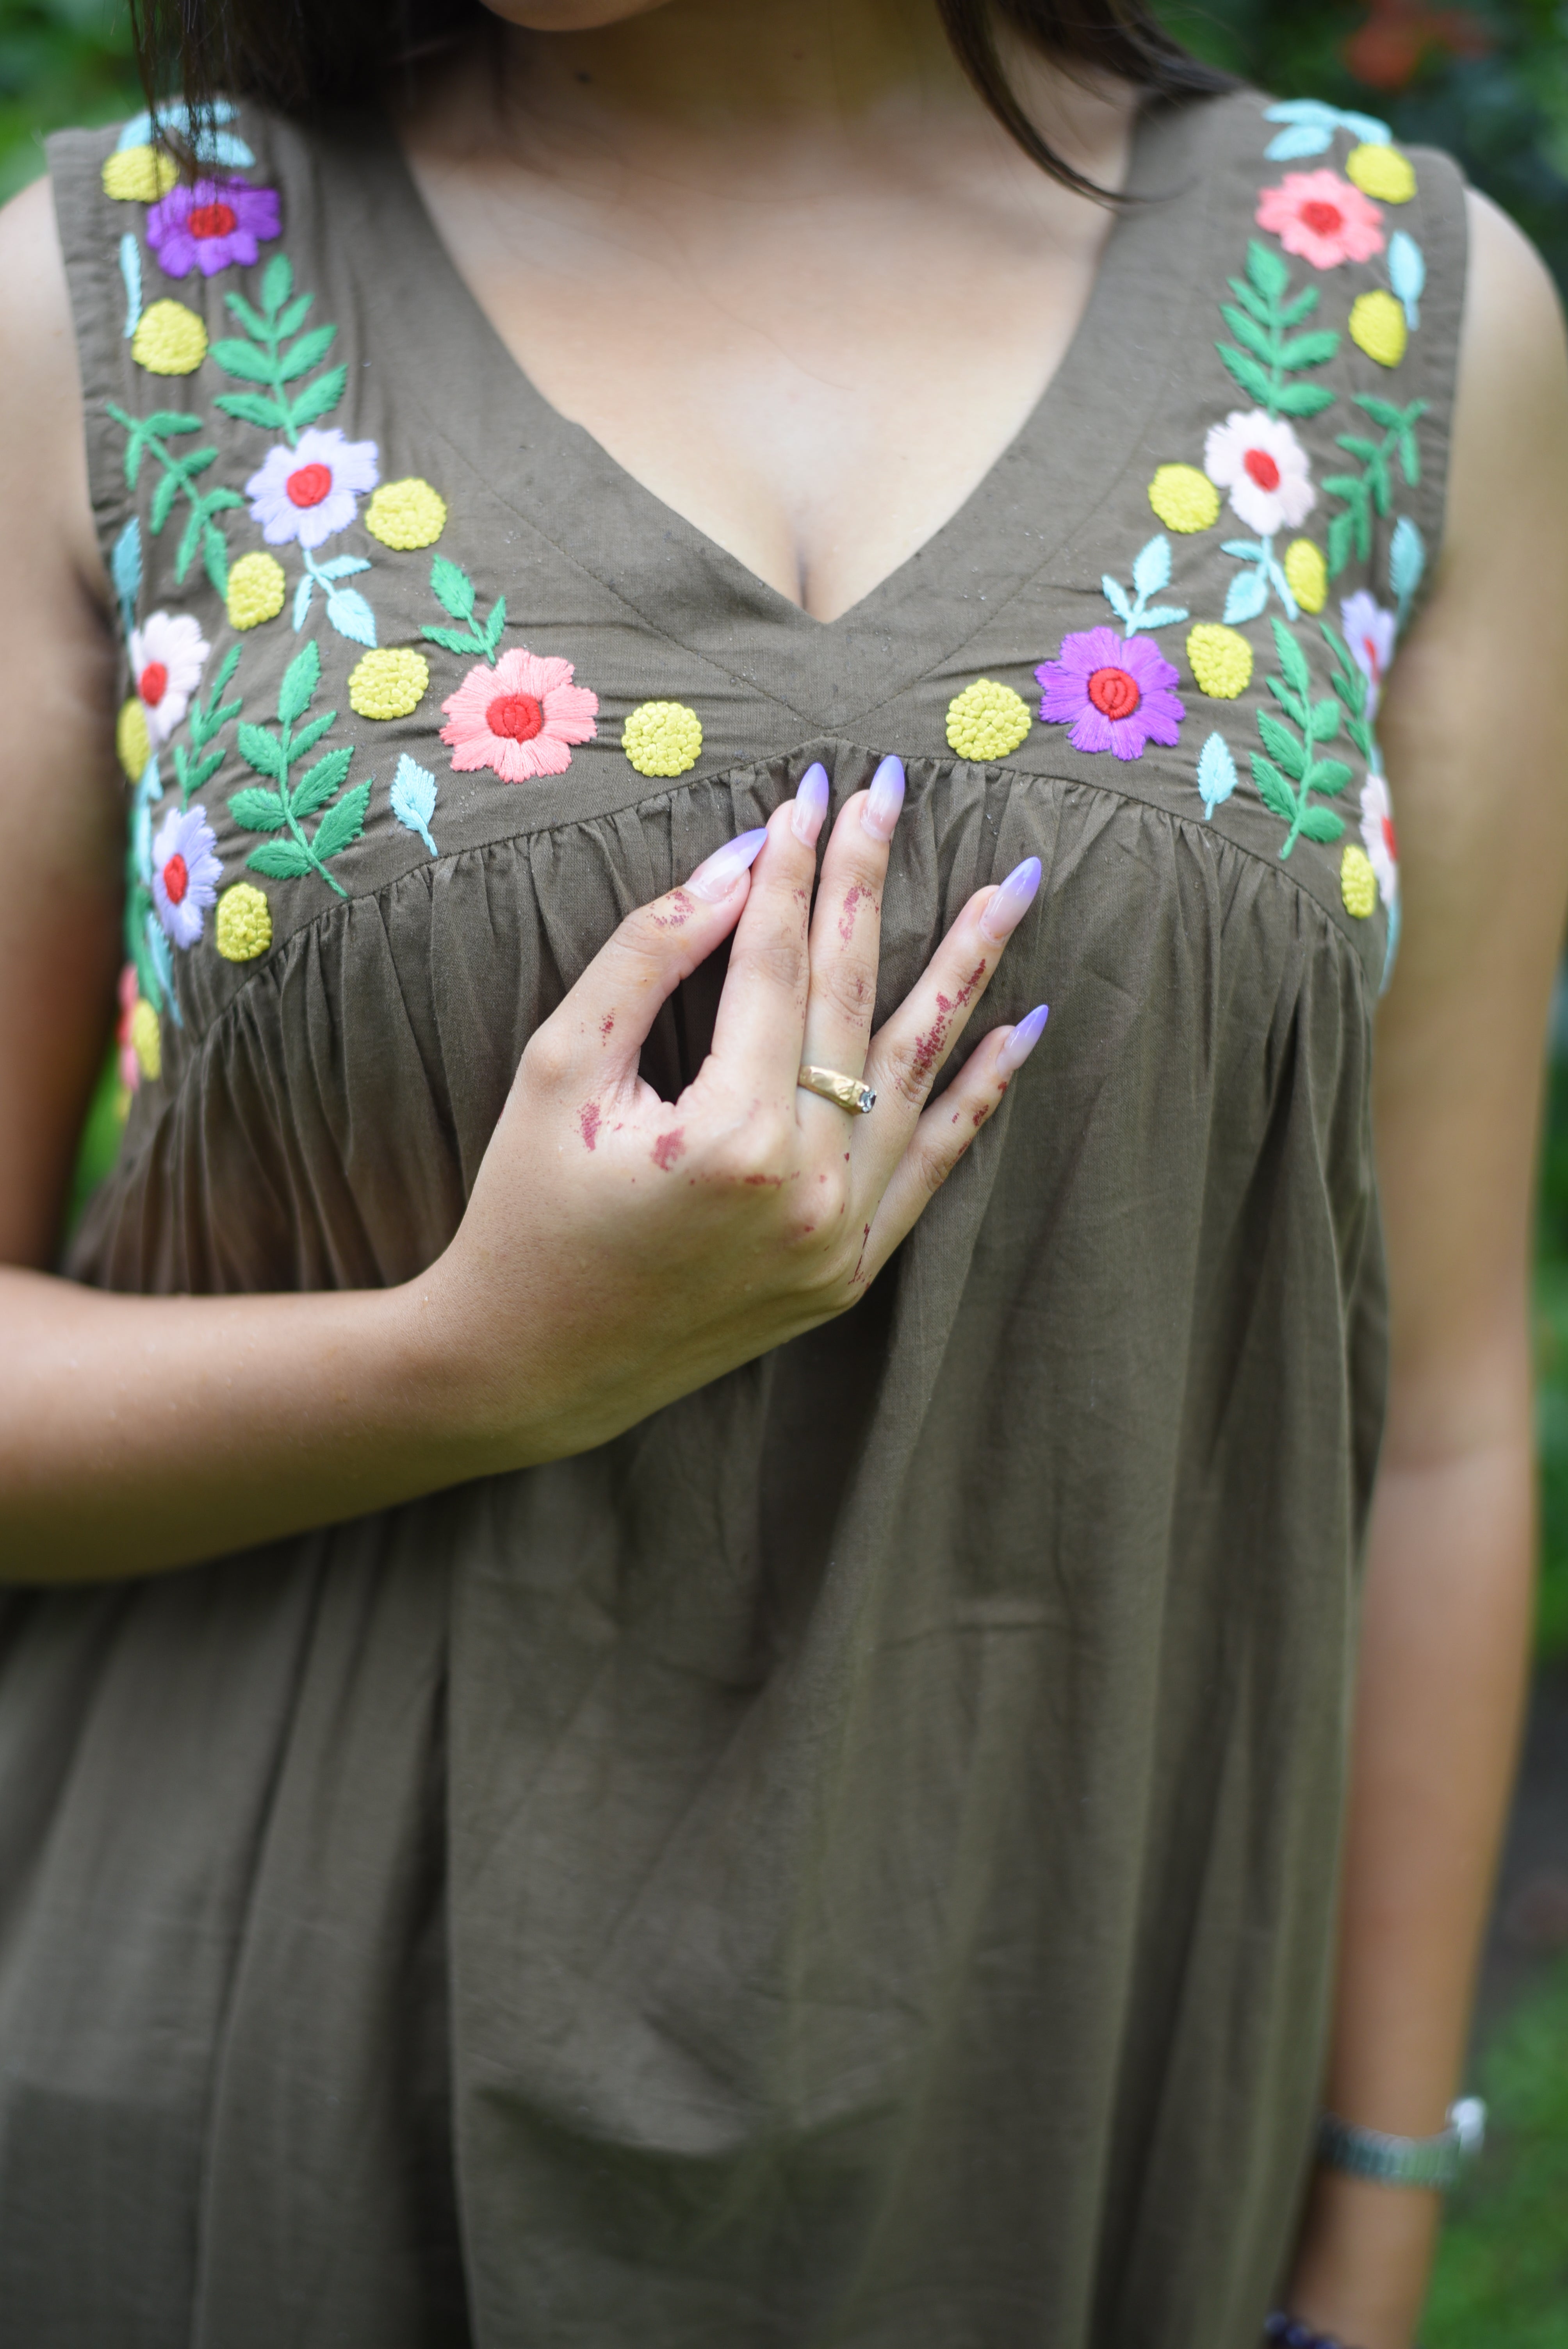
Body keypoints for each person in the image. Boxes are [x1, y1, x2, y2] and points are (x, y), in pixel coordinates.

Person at [1, 0, 1564, 2340]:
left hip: (1065, 2145)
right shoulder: (124, 300)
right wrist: (474, 1361)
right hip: (236, 2117)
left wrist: (1361, 2223)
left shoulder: (1389, 317)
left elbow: (1433, 1423)